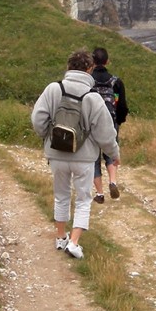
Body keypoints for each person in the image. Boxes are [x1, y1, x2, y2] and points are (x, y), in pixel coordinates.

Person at [31, 50, 120, 259]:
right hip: (84, 158)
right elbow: (106, 134)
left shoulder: (54, 89)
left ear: (68, 66)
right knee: (83, 199)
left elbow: (38, 119)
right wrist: (114, 154)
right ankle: (74, 242)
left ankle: (61, 237)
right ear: (89, 69)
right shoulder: (93, 97)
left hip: (57, 155)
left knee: (61, 195)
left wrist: (48, 137)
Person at [90, 47, 129, 203]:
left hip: (91, 123)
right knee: (111, 153)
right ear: (107, 61)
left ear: (92, 62)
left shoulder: (88, 81)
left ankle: (99, 194)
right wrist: (119, 121)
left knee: (94, 158)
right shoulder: (115, 82)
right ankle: (112, 181)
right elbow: (122, 105)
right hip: (111, 123)